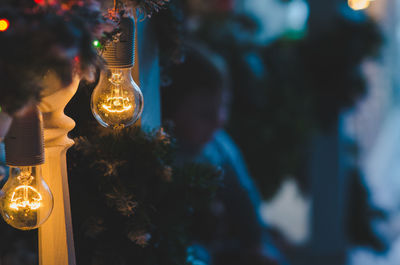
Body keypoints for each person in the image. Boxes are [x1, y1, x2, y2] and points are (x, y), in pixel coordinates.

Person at [162, 45, 286, 265]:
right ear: (173, 111)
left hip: (225, 243)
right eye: (206, 114)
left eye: (224, 106)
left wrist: (255, 242)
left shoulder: (219, 145)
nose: (219, 120)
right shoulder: (167, 155)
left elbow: (242, 194)